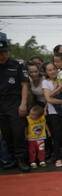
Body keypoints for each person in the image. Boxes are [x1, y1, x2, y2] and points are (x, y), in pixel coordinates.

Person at [0, 38, 30, 172]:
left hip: (15, 102)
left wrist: (23, 104)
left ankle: (21, 159)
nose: (2, 55)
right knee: (6, 133)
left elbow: (24, 85)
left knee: (18, 132)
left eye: (4, 52)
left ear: (8, 51)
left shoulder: (17, 65)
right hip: (1, 103)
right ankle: (12, 158)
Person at [42, 62, 62, 167]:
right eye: (49, 70)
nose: (53, 71)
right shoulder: (46, 82)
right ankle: (58, 158)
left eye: (54, 69)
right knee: (56, 135)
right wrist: (59, 87)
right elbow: (49, 99)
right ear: (46, 72)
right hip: (53, 112)